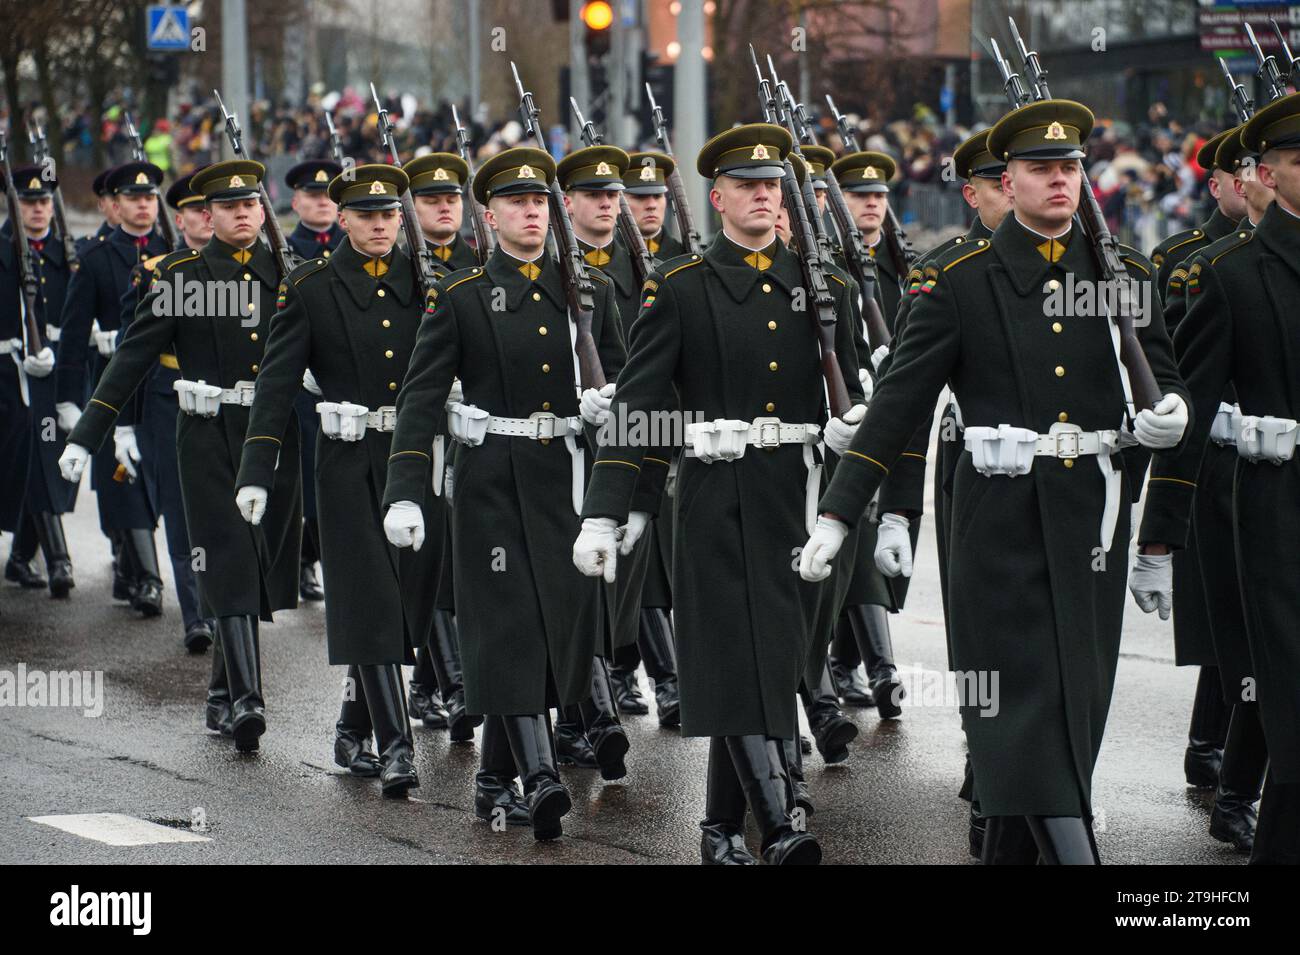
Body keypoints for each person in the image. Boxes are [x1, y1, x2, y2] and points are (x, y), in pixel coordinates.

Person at [800, 100, 1189, 864]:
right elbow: (897, 409)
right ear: (1005, 182)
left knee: (1074, 709)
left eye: (1070, 168)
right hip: (998, 528)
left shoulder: (1123, 274)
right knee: (1020, 711)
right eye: (1042, 170)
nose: (1059, 181)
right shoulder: (958, 277)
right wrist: (841, 514)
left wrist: (1169, 421)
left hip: (1091, 527)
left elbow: (1165, 380)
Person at [573, 123, 867, 864]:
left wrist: (851, 440)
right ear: (719, 196)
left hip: (797, 498)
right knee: (739, 655)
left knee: (771, 657)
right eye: (748, 185)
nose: (764, 196)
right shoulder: (679, 286)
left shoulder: (822, 285)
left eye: (773, 185)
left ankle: (717, 829)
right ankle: (779, 817)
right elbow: (638, 407)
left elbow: (857, 398)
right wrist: (608, 511)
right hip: (713, 497)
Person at [382, 146, 627, 840]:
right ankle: (543, 774)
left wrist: (617, 451)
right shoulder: (460, 298)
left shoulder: (591, 294)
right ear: (488, 216)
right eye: (515, 202)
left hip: (566, 485)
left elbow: (630, 385)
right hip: (490, 484)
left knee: (556, 632)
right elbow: (420, 397)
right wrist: (405, 489)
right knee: (512, 626)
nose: (530, 211)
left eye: (538, 201)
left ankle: (495, 776)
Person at [59, 159, 302, 754]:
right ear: (206, 216)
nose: (242, 215)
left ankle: (221, 694)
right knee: (227, 555)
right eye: (228, 208)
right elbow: (132, 358)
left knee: (260, 556)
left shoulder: (292, 273)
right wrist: (86, 433)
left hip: (273, 436)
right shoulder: (185, 278)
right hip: (207, 435)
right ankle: (247, 697)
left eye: (251, 206)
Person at [1132, 91, 1300, 865]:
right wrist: (1160, 535)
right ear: (1265, 174)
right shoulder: (1223, 275)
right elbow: (1190, 411)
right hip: (1273, 515)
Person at [236, 163, 429, 797]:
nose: (379, 225)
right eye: (366, 216)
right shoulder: (312, 287)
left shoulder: (434, 283)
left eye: (389, 215)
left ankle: (352, 726)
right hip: (347, 462)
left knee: (411, 601)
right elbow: (276, 380)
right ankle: (396, 747)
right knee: (369, 598)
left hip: (420, 457)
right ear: (340, 219)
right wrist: (258, 468)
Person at [53, 162, 169, 614]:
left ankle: (130, 563)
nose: (143, 205)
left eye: (149, 197)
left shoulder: (173, 252)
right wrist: (66, 398)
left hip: (159, 383)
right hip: (111, 386)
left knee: (153, 479)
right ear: (115, 205)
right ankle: (148, 579)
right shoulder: (97, 258)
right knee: (122, 480)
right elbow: (72, 331)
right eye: (133, 198)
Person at [113, 170, 216, 651]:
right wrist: (126, 424)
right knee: (180, 510)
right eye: (199, 210)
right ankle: (196, 613)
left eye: (213, 208)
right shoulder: (156, 272)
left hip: (229, 401)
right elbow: (131, 355)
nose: (208, 217)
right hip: (169, 398)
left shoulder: (247, 271)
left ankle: (227, 606)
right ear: (181, 219)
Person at [398, 151, 482, 741]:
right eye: (431, 200)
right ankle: (451, 684)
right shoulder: (397, 268)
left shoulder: (480, 265)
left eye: (452, 198)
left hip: (472, 430)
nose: (445, 207)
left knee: (456, 560)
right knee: (429, 560)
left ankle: (433, 682)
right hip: (417, 427)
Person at [2, 165, 74, 597]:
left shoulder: (67, 250)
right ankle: (58, 559)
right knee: (32, 461)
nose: (39, 210)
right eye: (29, 202)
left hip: (60, 373)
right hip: (11, 379)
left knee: (59, 463)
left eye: (45, 201)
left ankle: (21, 556)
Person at [285, 158, 346, 603]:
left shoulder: (355, 245)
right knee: (311, 475)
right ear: (295, 202)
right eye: (312, 195)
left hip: (347, 378)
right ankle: (309, 559)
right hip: (305, 383)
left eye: (328, 194)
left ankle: (325, 556)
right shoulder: (284, 249)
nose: (321, 202)